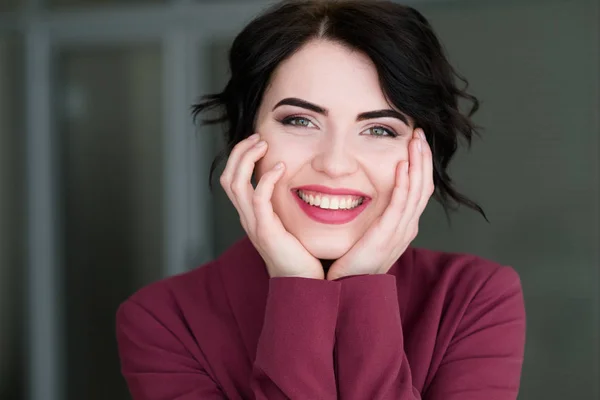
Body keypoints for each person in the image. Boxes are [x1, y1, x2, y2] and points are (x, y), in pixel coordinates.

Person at [116, 1, 526, 399]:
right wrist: (297, 289)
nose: (334, 164)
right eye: (300, 121)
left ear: (420, 152)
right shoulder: (163, 320)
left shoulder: (474, 297)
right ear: (246, 136)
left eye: (379, 129)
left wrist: (362, 284)